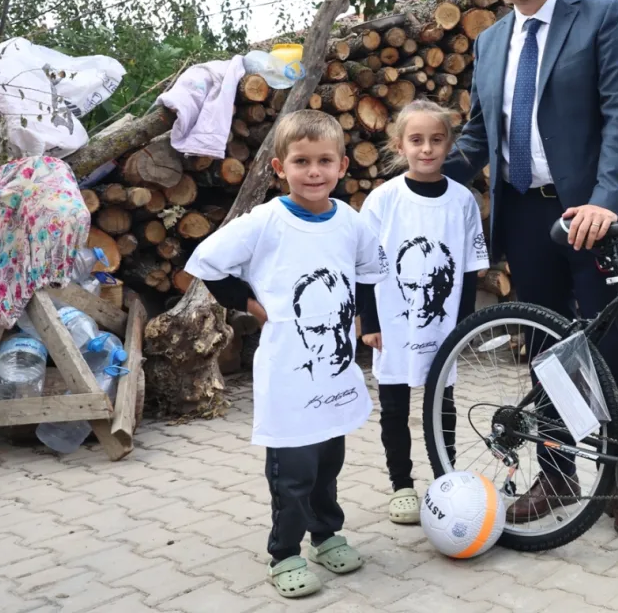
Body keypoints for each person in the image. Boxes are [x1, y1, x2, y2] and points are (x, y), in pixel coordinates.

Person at [441, 0, 618, 538]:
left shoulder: (602, 16)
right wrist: (424, 178)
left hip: (598, 217)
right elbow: (480, 133)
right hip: (526, 217)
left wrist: (606, 200)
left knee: (613, 349)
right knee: (547, 351)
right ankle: (559, 473)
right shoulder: (488, 42)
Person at [185, 109, 389, 599]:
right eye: (301, 161)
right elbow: (207, 262)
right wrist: (249, 304)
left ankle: (326, 534)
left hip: (335, 377)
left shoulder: (351, 223)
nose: (314, 172)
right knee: (293, 471)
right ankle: (285, 553)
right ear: (280, 168)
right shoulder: (265, 221)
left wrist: (370, 324)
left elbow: (367, 274)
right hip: (288, 377)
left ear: (343, 166)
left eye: (324, 161)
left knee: (328, 461)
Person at [357, 99, 488, 525]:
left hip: (445, 330)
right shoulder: (383, 200)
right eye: (416, 140)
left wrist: (463, 327)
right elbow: (364, 266)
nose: (426, 149)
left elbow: (468, 268)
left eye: (436, 139)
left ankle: (445, 479)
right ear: (400, 145)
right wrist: (369, 322)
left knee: (441, 405)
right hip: (393, 327)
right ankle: (401, 485)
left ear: (450, 144)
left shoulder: (462, 201)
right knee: (394, 407)